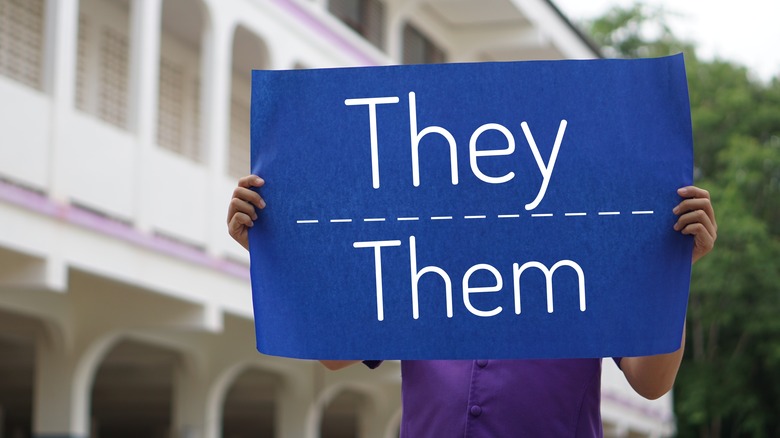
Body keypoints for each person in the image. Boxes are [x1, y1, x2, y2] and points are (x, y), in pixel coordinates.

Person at [227, 174, 717, 437]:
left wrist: (673, 271)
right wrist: (274, 255)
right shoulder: (421, 269)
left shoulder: (581, 267)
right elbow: (333, 353)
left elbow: (652, 383)